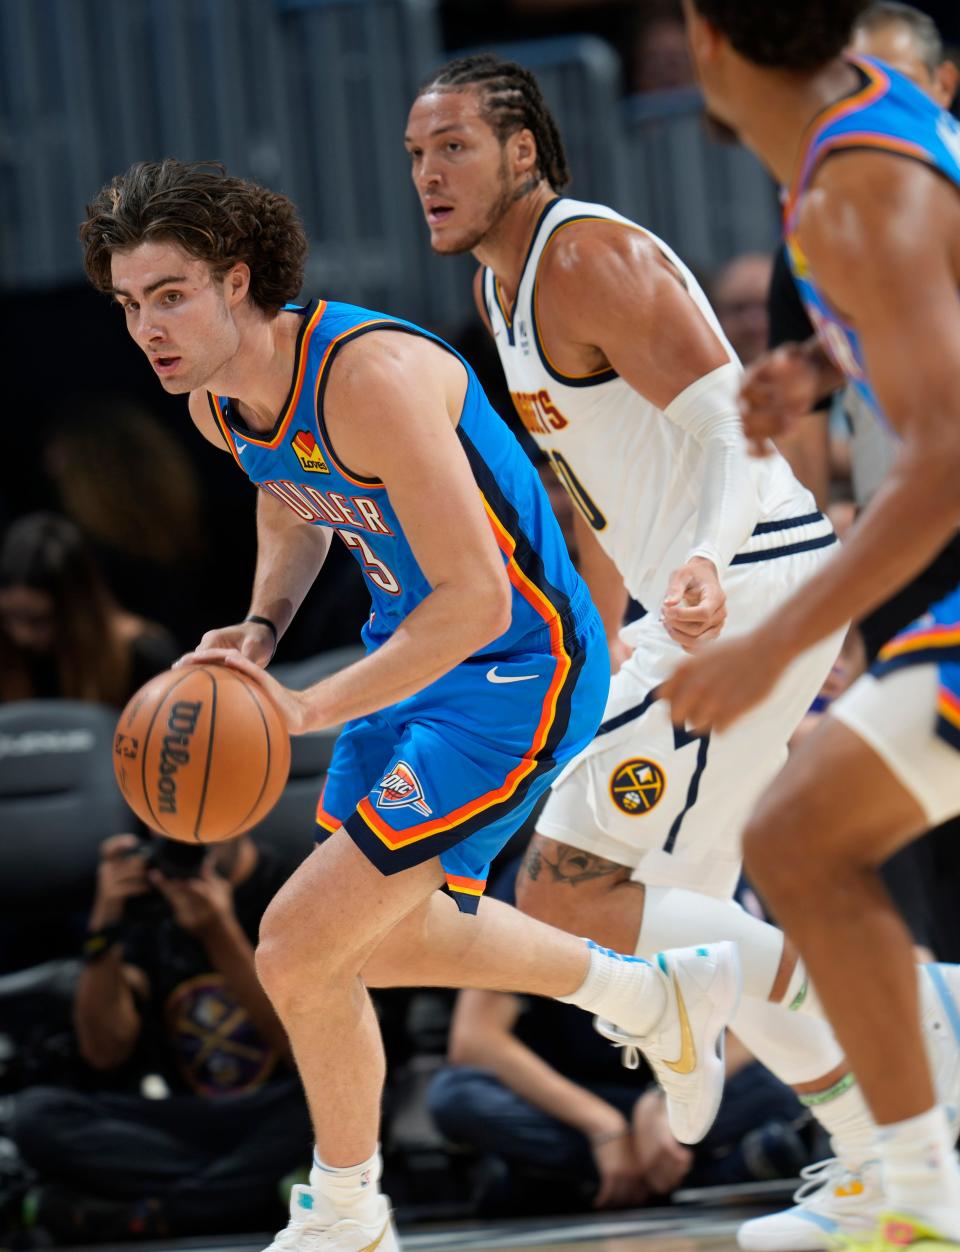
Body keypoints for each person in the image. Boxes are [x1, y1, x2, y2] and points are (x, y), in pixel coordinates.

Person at [79, 158, 741, 1252]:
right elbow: (292, 504)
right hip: (416, 652)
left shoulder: (369, 376)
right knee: (362, 948)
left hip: (521, 663)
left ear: (239, 281)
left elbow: (480, 599)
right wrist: (259, 629)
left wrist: (301, 707)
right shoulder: (214, 398)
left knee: (295, 943)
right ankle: (649, 999)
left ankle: (346, 1212)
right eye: (128, 305)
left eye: (169, 295)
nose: (147, 326)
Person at [405, 50, 960, 1243]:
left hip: (746, 583)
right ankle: (874, 1160)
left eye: (452, 146)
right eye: (413, 154)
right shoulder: (502, 294)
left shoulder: (590, 256)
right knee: (687, 902)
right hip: (694, 595)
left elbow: (733, 432)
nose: (428, 174)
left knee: (568, 888)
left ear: (522, 151)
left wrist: (702, 564)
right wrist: (604, 643)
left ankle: (903, 1034)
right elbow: (601, 496)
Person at [661, 2, 960, 1248]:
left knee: (796, 835)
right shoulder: (879, 116)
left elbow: (944, 462)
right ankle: (909, 1192)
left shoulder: (849, 196)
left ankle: (913, 1197)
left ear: (708, 40)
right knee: (802, 837)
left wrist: (770, 644)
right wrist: (829, 364)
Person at [429, 857, 816, 1217]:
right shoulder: (534, 876)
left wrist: (667, 1099)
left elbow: (765, 1019)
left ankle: (564, 1185)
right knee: (457, 1095)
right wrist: (604, 1127)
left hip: (692, 1085)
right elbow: (475, 1039)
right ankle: (712, 1173)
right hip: (574, 1096)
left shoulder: (714, 866)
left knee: (799, 1065)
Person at [11, 832, 311, 1244]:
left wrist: (218, 933)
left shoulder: (294, 885)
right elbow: (104, 1052)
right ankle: (250, 1196)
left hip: (275, 1107)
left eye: (203, 832)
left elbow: (308, 1051)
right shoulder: (152, 897)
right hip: (180, 1118)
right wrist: (104, 929)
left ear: (243, 817)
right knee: (36, 1116)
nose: (191, 845)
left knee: (346, 1107)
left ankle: (159, 1214)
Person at [0, 512, 177, 706]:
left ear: (78, 612)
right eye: (11, 617)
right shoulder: (10, 653)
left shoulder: (141, 654)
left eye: (39, 620)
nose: (22, 635)